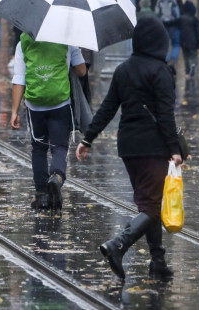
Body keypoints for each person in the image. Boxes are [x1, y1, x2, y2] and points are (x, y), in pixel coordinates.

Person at [76, 16, 185, 280]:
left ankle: (158, 262)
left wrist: (87, 138)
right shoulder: (162, 71)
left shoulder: (123, 70)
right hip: (153, 149)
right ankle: (118, 245)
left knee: (150, 204)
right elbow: (166, 115)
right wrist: (175, 148)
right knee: (151, 206)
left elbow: (107, 109)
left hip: (128, 149)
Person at [10, 34, 87, 211]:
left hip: (34, 106)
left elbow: (19, 78)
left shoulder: (23, 42)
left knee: (38, 148)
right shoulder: (68, 39)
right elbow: (82, 71)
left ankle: (42, 195)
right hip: (60, 103)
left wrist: (14, 111)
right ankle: (56, 177)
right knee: (59, 147)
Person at [154, 0, 182, 65]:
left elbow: (156, 12)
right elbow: (180, 9)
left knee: (164, 43)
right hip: (174, 24)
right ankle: (173, 60)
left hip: (162, 25)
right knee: (176, 43)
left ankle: (165, 60)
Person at [179, 0, 199, 78]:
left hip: (183, 41)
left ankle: (187, 72)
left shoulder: (180, 19)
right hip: (193, 42)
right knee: (194, 56)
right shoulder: (195, 20)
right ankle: (193, 65)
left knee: (186, 57)